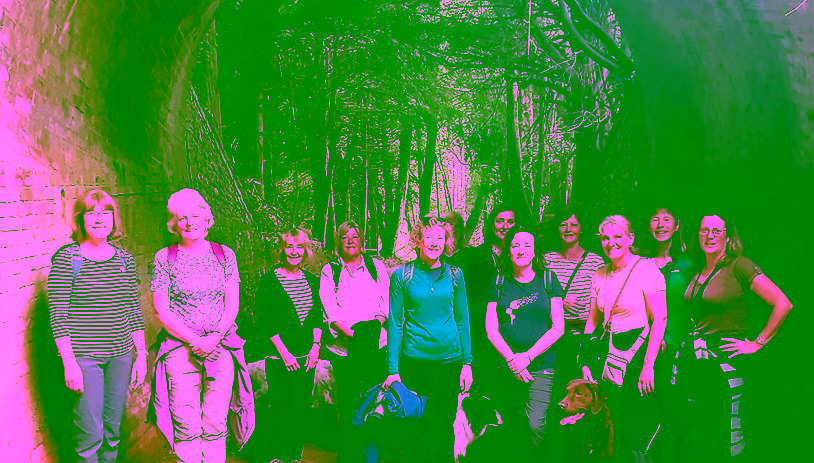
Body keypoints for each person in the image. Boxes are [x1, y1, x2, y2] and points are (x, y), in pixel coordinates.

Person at [671, 214, 792, 462]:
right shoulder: (698, 269)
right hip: (696, 365)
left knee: (725, 437)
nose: (710, 235)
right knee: (698, 437)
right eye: (705, 230)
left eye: (717, 231)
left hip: (724, 365)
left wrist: (757, 343)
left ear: (727, 236)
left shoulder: (739, 265)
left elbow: (782, 303)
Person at [150, 188, 252, 463]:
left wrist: (214, 338)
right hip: (180, 349)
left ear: (207, 219)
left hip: (220, 347)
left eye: (195, 216)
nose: (189, 222)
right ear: (174, 224)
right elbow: (161, 309)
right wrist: (195, 341)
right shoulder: (164, 257)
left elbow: (232, 304)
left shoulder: (224, 254)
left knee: (216, 421)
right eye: (182, 217)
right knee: (186, 423)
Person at [48, 189, 147, 463]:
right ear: (80, 219)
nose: (99, 219)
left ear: (114, 218)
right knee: (89, 434)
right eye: (91, 213)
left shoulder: (124, 259)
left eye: (105, 213)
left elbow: (133, 311)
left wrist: (141, 356)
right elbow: (58, 316)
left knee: (113, 430)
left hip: (121, 357)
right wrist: (70, 364)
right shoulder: (67, 258)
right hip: (84, 359)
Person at [384, 216, 472, 463]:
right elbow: (395, 324)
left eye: (440, 238)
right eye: (429, 237)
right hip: (414, 362)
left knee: (442, 426)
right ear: (418, 240)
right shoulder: (402, 275)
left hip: (449, 363)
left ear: (446, 241)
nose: (434, 242)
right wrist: (392, 370)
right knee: (413, 428)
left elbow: (463, 320)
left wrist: (467, 363)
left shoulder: (455, 275)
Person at [580, 215, 667, 463]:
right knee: (612, 425)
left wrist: (648, 366)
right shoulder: (600, 274)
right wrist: (585, 361)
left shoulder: (646, 269)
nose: (611, 243)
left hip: (638, 355)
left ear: (630, 238)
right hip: (609, 356)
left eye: (618, 236)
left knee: (636, 429)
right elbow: (592, 322)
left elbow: (660, 319)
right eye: (605, 238)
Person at [484, 227, 565, 462]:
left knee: (535, 425)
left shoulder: (548, 279)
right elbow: (491, 329)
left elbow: (558, 327)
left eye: (527, 245)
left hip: (541, 365)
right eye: (516, 245)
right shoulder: (498, 282)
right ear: (508, 250)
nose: (521, 250)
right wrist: (513, 360)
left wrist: (527, 357)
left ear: (535, 250)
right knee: (507, 424)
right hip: (505, 366)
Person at [319, 221, 389, 463]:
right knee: (348, 401)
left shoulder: (376, 266)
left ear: (362, 240)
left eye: (355, 235)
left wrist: (373, 329)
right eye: (345, 236)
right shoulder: (330, 271)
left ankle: (371, 454)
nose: (350, 240)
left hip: (375, 346)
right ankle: (349, 454)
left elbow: (385, 302)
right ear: (338, 242)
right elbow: (329, 307)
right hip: (344, 350)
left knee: (373, 399)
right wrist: (352, 334)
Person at [254, 227, 325, 463]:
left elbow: (317, 318)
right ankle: (276, 457)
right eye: (289, 246)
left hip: (307, 357)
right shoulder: (269, 281)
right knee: (281, 406)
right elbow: (265, 321)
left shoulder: (313, 281)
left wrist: (315, 347)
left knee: (301, 406)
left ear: (305, 251)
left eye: (299, 247)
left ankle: (294, 456)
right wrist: (284, 353)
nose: (294, 251)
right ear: (282, 250)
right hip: (279, 357)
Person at [543, 207, 605, 390]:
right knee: (555, 389)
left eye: (574, 224)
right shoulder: (547, 261)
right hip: (553, 337)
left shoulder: (596, 262)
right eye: (563, 224)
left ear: (581, 229)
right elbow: (536, 296)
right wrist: (559, 302)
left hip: (584, 337)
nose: (568, 229)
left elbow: (602, 299)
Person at [463, 204, 518, 386]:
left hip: (514, 332)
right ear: (491, 224)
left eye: (510, 221)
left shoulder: (522, 255)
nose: (505, 226)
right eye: (500, 221)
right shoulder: (474, 256)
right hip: (481, 332)